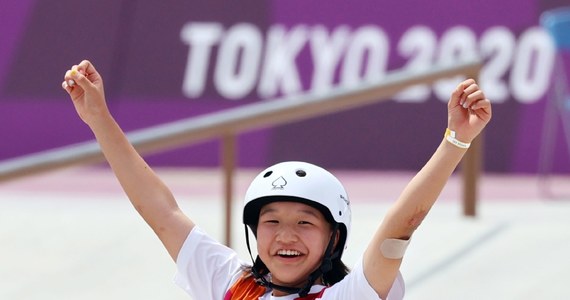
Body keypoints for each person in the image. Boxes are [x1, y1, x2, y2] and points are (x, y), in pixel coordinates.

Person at [62, 59, 492, 300]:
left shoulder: (353, 295)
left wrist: (456, 140)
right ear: (254, 231)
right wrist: (98, 118)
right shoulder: (229, 282)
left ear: (334, 239)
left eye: (305, 222)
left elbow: (402, 225)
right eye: (272, 221)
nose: (286, 236)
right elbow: (158, 210)